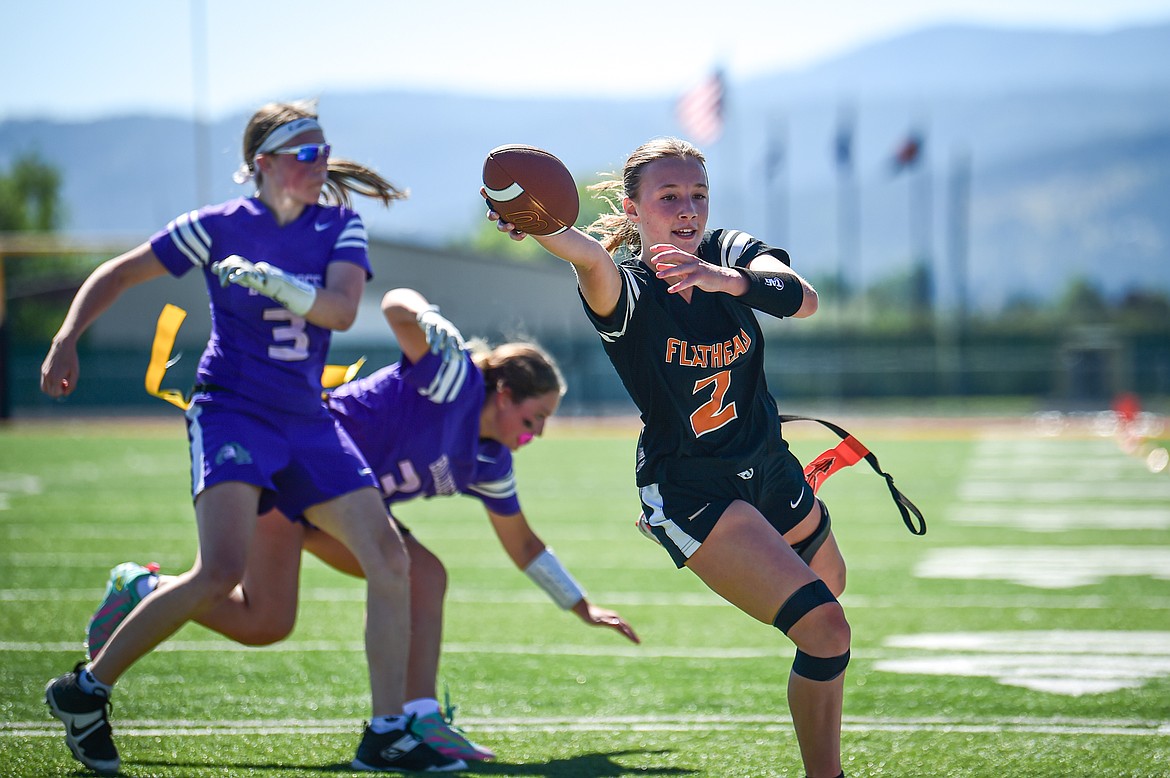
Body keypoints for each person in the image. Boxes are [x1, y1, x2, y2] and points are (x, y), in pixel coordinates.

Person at [40, 100, 463, 773]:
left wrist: (282, 286)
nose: (319, 163)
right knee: (221, 571)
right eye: (304, 153)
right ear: (263, 164)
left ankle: (385, 732)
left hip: (306, 418)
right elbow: (118, 272)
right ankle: (85, 690)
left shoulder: (338, 225)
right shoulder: (216, 227)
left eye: (323, 150)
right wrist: (66, 338)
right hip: (233, 410)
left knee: (389, 559)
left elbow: (344, 309)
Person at [86, 287, 640, 763]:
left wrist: (579, 604)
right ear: (503, 394)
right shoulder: (452, 379)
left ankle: (417, 718)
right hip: (293, 471)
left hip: (339, 508)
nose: (537, 433)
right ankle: (146, 592)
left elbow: (522, 544)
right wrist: (428, 314)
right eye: (534, 417)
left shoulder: (491, 460)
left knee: (357, 595)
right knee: (323, 602)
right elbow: (398, 306)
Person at [484, 136, 851, 778]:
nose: (688, 208)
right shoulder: (624, 289)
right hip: (694, 485)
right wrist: (532, 217)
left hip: (766, 461)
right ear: (634, 209)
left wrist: (724, 278)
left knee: (832, 588)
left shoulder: (728, 253)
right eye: (669, 196)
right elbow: (582, 253)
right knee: (826, 629)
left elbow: (805, 297)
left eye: (698, 195)